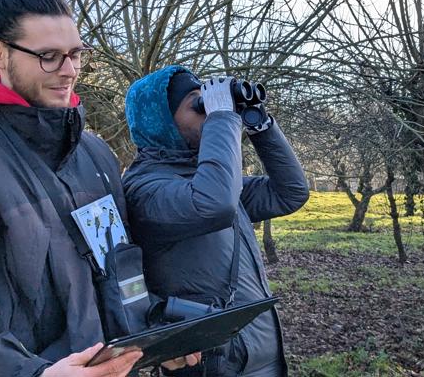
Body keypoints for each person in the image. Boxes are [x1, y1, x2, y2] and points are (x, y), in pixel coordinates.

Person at [0, 0, 197, 376]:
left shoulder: (96, 153)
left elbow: (118, 279)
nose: (69, 71)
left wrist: (154, 338)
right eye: (49, 56)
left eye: (75, 54)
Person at [122, 66, 310, 376]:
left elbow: (289, 192)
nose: (208, 111)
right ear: (162, 121)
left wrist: (261, 126)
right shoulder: (146, 189)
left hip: (263, 353)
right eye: (197, 103)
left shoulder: (212, 180)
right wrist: (223, 118)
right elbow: (215, 205)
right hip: (212, 362)